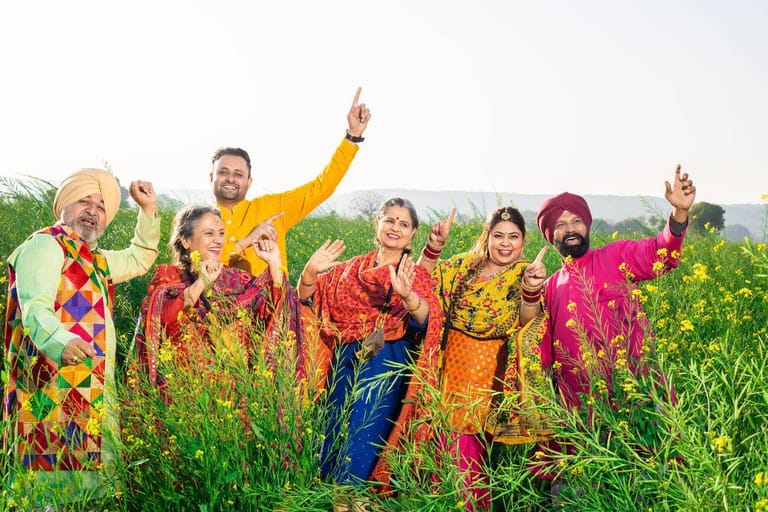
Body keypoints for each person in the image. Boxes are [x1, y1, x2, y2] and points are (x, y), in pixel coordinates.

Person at [2, 169, 160, 503]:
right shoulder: (45, 245)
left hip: (91, 386)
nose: (92, 210)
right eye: (84, 201)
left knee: (92, 490)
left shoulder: (95, 260)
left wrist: (147, 211)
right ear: (63, 206)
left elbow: (138, 258)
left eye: (101, 206)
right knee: (51, 486)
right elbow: (35, 308)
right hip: (48, 386)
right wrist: (61, 342)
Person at [297, 197, 444, 500]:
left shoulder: (414, 275)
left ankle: (348, 500)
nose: (395, 227)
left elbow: (428, 319)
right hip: (345, 362)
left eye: (404, 224)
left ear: (413, 233)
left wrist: (408, 297)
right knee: (334, 432)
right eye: (389, 220)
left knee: (363, 436)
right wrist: (309, 273)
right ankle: (335, 499)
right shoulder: (349, 269)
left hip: (385, 363)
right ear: (376, 224)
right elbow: (309, 300)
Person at [419, 206, 550, 511]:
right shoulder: (464, 266)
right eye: (499, 235)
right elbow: (420, 282)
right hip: (450, 369)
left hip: (489, 374)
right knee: (439, 447)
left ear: (523, 240)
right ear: (487, 237)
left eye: (513, 237)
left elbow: (527, 322)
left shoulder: (525, 272)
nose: (506, 243)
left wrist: (531, 290)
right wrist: (434, 246)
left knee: (468, 453)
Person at [536, 165, 695, 412]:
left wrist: (679, 213)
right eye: (560, 224)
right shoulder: (548, 288)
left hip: (637, 390)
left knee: (654, 450)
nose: (570, 229)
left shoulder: (616, 256)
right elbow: (541, 353)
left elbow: (660, 254)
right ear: (550, 234)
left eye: (576, 221)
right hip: (580, 403)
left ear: (587, 226)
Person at [131, 205, 303, 395]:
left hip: (233, 397)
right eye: (209, 233)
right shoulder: (168, 277)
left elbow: (273, 313)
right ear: (186, 241)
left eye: (221, 233)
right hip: (183, 395)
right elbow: (162, 325)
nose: (218, 240)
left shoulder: (237, 279)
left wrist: (274, 262)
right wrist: (201, 283)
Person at [212, 87, 371, 276]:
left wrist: (352, 137)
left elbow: (321, 187)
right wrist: (247, 240)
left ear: (249, 181)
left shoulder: (272, 208)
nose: (231, 178)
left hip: (272, 304)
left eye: (238, 174)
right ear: (211, 177)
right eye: (223, 172)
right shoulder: (199, 222)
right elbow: (198, 269)